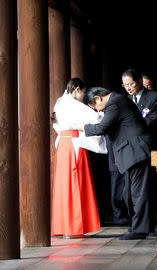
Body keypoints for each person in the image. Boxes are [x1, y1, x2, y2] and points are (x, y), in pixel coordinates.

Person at [80, 87, 152, 240]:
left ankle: (140, 230)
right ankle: (136, 226)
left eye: (96, 108)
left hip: (136, 151)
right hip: (130, 153)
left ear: (98, 98)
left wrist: (80, 127)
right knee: (128, 195)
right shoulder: (117, 101)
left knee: (137, 194)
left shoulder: (115, 102)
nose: (99, 112)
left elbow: (101, 127)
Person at [51, 78, 108, 238]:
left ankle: (65, 226)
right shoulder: (73, 104)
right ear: (77, 89)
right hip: (74, 144)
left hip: (63, 143)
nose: (83, 96)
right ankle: (74, 227)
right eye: (83, 92)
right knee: (76, 182)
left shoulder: (59, 102)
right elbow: (96, 119)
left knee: (65, 184)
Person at [122, 69, 157, 235]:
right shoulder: (126, 100)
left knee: (150, 189)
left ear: (140, 81)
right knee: (129, 192)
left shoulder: (154, 97)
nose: (128, 87)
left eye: (131, 84)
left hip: (150, 149)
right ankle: (138, 223)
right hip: (131, 152)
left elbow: (152, 122)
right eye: (125, 85)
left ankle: (152, 225)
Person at [105, 134, 130, 226]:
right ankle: (118, 216)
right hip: (116, 161)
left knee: (124, 190)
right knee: (117, 191)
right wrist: (114, 159)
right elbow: (109, 142)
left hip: (125, 159)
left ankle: (125, 215)